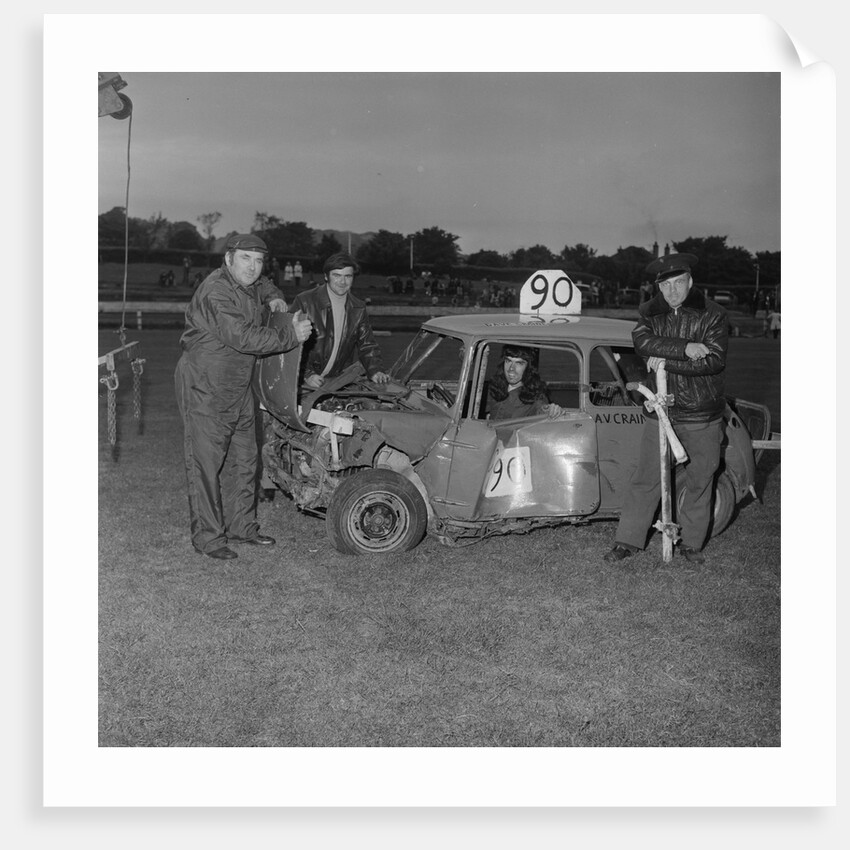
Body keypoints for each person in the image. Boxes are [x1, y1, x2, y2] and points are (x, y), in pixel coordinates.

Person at [174, 233, 313, 560]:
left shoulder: (249, 282)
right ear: (228, 260)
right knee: (206, 464)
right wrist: (290, 335)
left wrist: (274, 296)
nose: (252, 267)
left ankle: (242, 528)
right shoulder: (216, 290)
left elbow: (262, 284)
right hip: (206, 386)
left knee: (246, 459)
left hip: (238, 385)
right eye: (245, 259)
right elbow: (241, 336)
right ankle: (208, 539)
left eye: (258, 260)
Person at [603, 253, 728, 566]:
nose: (672, 291)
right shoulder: (650, 311)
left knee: (700, 479)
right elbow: (641, 342)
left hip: (701, 414)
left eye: (678, 283)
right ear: (658, 286)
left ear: (690, 281)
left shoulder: (713, 314)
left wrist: (666, 361)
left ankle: (692, 544)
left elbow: (713, 361)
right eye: (666, 285)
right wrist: (685, 348)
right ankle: (628, 540)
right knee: (646, 478)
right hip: (660, 413)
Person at [288, 251, 390, 390]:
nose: (342, 282)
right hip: (302, 382)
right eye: (337, 275)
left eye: (348, 276)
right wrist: (306, 374)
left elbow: (367, 345)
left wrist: (375, 370)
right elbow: (289, 343)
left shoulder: (358, 308)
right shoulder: (304, 301)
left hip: (337, 382)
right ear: (326, 276)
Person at [486, 345, 564, 420]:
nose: (511, 368)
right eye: (508, 361)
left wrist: (552, 410)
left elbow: (542, 409)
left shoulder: (536, 396)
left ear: (528, 368)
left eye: (519, 363)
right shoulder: (494, 387)